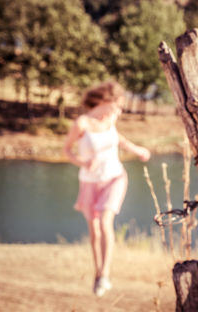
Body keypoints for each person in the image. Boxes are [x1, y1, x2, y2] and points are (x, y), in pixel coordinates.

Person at [64, 81, 150, 297]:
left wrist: (137, 149)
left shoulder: (111, 119)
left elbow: (118, 138)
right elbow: (66, 149)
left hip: (114, 177)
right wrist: (82, 163)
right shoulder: (82, 123)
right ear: (105, 101)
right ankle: (98, 272)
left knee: (105, 221)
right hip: (90, 182)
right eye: (118, 105)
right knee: (94, 230)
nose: (120, 110)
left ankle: (105, 274)